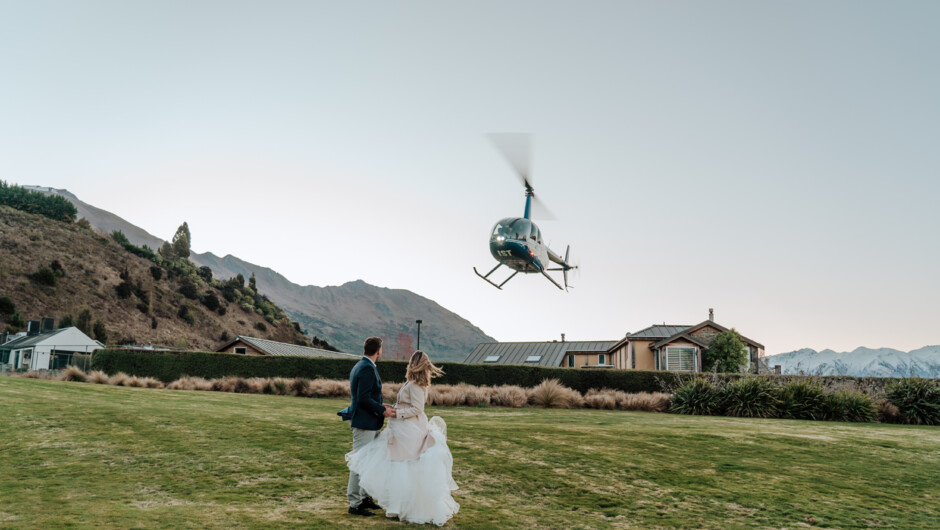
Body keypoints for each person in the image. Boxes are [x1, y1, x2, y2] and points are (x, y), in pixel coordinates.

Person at [346, 350, 459, 526]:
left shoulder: (416, 385)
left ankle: (399, 506)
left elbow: (417, 409)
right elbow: (407, 404)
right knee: (399, 467)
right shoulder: (412, 382)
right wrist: (392, 408)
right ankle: (392, 505)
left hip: (409, 430)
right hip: (402, 429)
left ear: (413, 363)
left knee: (402, 466)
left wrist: (397, 413)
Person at [345, 336, 395, 517]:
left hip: (369, 421)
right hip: (365, 423)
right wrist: (382, 411)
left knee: (369, 463)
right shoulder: (366, 368)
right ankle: (355, 503)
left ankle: (365, 498)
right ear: (379, 351)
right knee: (359, 462)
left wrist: (382, 406)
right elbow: (363, 398)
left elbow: (367, 397)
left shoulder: (362, 365)